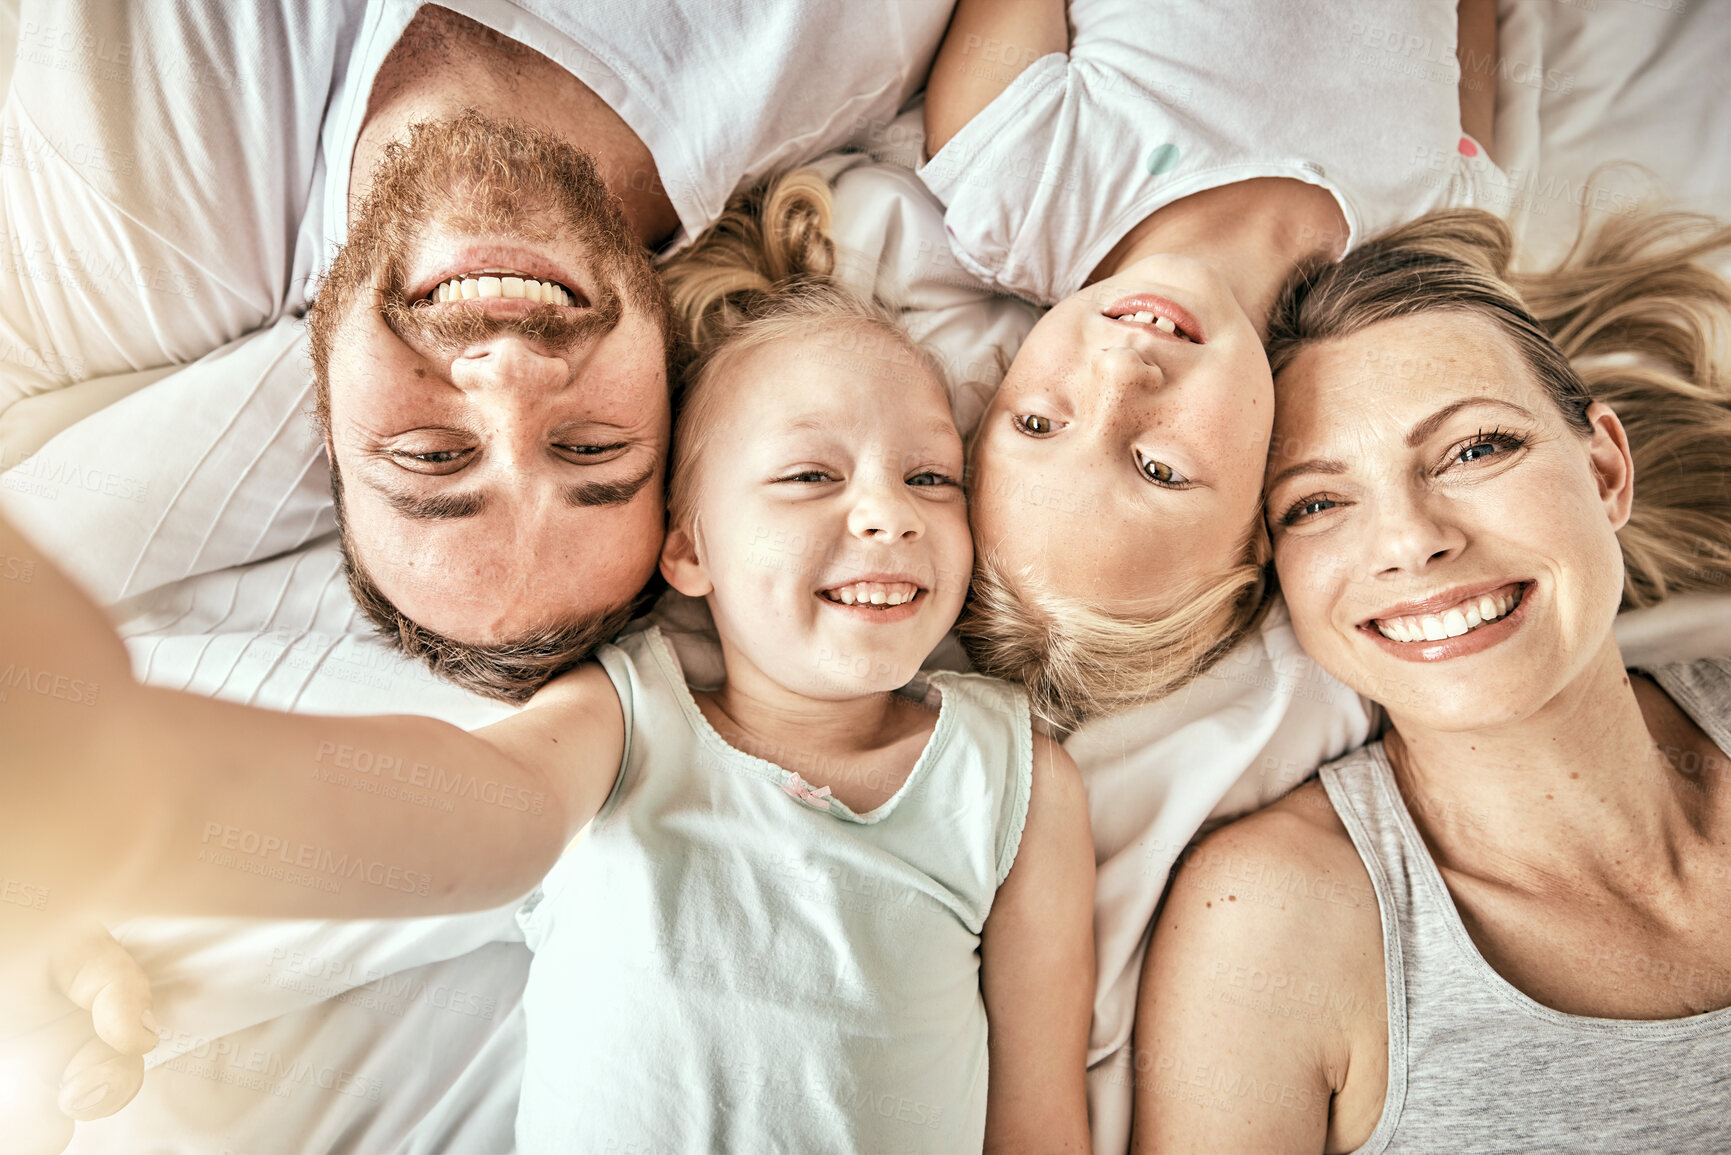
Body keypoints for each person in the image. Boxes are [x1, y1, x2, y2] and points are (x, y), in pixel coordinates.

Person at [0, 177, 1096, 1153]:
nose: (887, 515)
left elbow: (1041, 1125)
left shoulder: (1013, 777)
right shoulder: (632, 716)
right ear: (690, 549)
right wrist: (142, 800)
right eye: (809, 477)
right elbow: (484, 813)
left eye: (931, 478)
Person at [0, 0, 953, 694]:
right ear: (671, 388)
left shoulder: (111, 233)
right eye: (590, 446)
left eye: (432, 455)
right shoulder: (849, 39)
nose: (510, 375)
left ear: (326, 418)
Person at [1136, 207, 1731, 1151]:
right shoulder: (1272, 924)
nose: (1412, 540)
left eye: (1475, 448)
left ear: (1606, 467)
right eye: (1318, 502)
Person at [916, 0, 1505, 728]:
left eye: (1037, 423)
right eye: (1156, 467)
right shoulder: (1432, 244)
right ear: (1259, 521)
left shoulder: (1014, 182)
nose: (1121, 373)